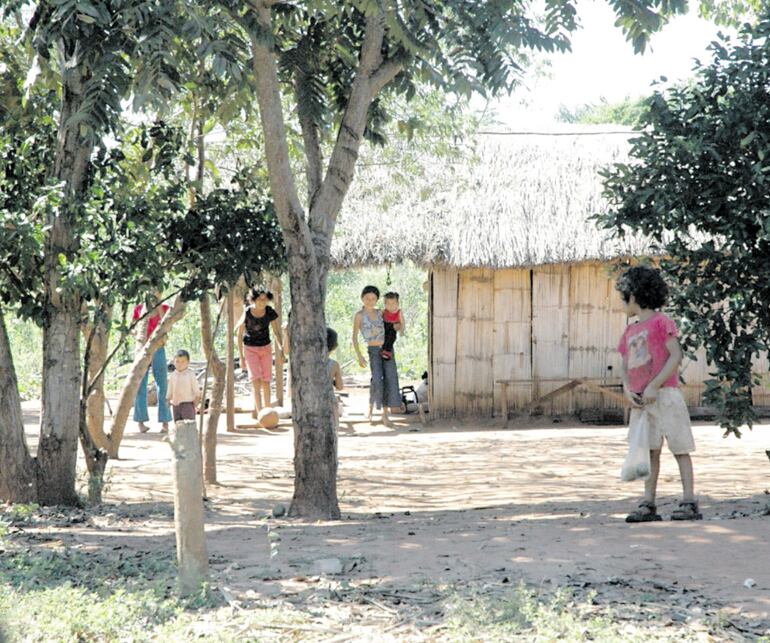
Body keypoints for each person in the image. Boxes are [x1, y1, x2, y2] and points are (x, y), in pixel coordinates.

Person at [617, 266, 701, 522]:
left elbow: (675, 356)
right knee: (650, 450)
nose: (621, 303)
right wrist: (628, 389)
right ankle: (648, 503)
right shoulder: (630, 330)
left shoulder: (662, 323)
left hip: (666, 396)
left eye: (622, 297)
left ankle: (688, 501)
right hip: (643, 401)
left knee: (679, 447)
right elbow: (624, 364)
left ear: (633, 296)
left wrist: (655, 385)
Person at [352, 285, 401, 427]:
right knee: (377, 379)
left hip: (387, 348)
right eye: (367, 298)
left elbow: (395, 322)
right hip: (373, 349)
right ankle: (371, 407)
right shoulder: (359, 316)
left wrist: (399, 326)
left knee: (390, 378)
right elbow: (354, 337)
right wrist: (359, 355)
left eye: (373, 298)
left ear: (377, 300)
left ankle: (385, 414)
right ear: (362, 298)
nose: (370, 301)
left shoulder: (381, 312)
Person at [237, 287, 284, 417]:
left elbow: (276, 332)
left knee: (266, 380)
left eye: (264, 299)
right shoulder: (247, 312)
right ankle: (259, 413)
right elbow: (239, 334)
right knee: (255, 380)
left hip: (265, 347)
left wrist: (280, 348)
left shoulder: (269, 312)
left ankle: (267, 412)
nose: (262, 302)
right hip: (250, 348)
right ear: (254, 299)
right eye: (259, 299)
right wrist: (241, 356)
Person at [133, 293, 171, 433]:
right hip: (143, 348)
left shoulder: (165, 308)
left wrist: (159, 304)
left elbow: (166, 324)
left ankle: (165, 421)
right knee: (140, 384)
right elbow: (133, 328)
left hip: (158, 347)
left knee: (162, 384)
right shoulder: (139, 309)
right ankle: (141, 421)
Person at [166, 349, 200, 422]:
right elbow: (170, 388)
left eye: (183, 361)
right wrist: (168, 398)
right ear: (174, 362)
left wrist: (196, 401)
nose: (180, 364)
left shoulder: (190, 374)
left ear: (188, 362)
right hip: (176, 404)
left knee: (188, 425)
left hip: (188, 404)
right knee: (178, 425)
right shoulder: (173, 375)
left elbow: (196, 389)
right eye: (177, 361)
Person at [380, 291, 405, 360]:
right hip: (384, 326)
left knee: (391, 337)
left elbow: (402, 322)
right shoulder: (384, 311)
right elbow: (378, 319)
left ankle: (386, 351)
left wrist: (402, 331)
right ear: (384, 304)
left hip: (393, 327)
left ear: (397, 304)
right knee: (384, 336)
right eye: (388, 304)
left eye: (393, 303)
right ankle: (383, 348)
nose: (391, 306)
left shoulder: (399, 312)